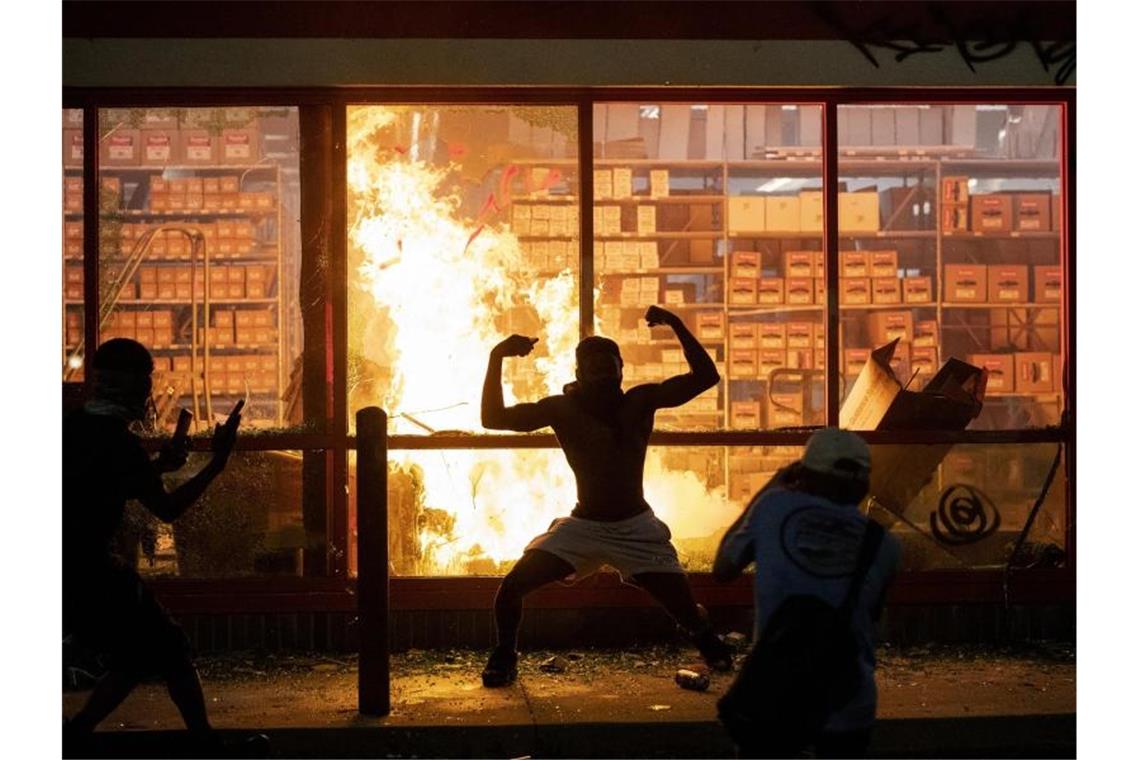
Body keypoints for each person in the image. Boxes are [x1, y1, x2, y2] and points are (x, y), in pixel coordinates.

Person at [479, 305, 734, 687]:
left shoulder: (641, 401)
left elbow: (706, 376)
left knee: (685, 610)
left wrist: (677, 324)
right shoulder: (561, 408)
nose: (601, 373)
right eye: (593, 367)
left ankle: (704, 637)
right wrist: (496, 356)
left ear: (621, 370)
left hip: (637, 527)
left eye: (607, 365)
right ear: (579, 375)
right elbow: (493, 419)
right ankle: (504, 654)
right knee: (511, 588)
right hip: (583, 526)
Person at [62, 339, 257, 755]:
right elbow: (167, 509)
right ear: (133, 389)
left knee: (135, 655)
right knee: (170, 648)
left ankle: (76, 736)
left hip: (67, 564)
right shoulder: (120, 443)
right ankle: (206, 747)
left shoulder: (71, 426)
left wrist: (158, 468)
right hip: (92, 569)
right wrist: (217, 464)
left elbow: (100, 483)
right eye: (144, 385)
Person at [712, 428, 901, 759]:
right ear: (863, 485)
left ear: (802, 473)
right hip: (848, 701)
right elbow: (873, 618)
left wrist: (772, 486)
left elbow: (723, 569)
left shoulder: (774, 508)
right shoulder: (883, 544)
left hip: (776, 694)